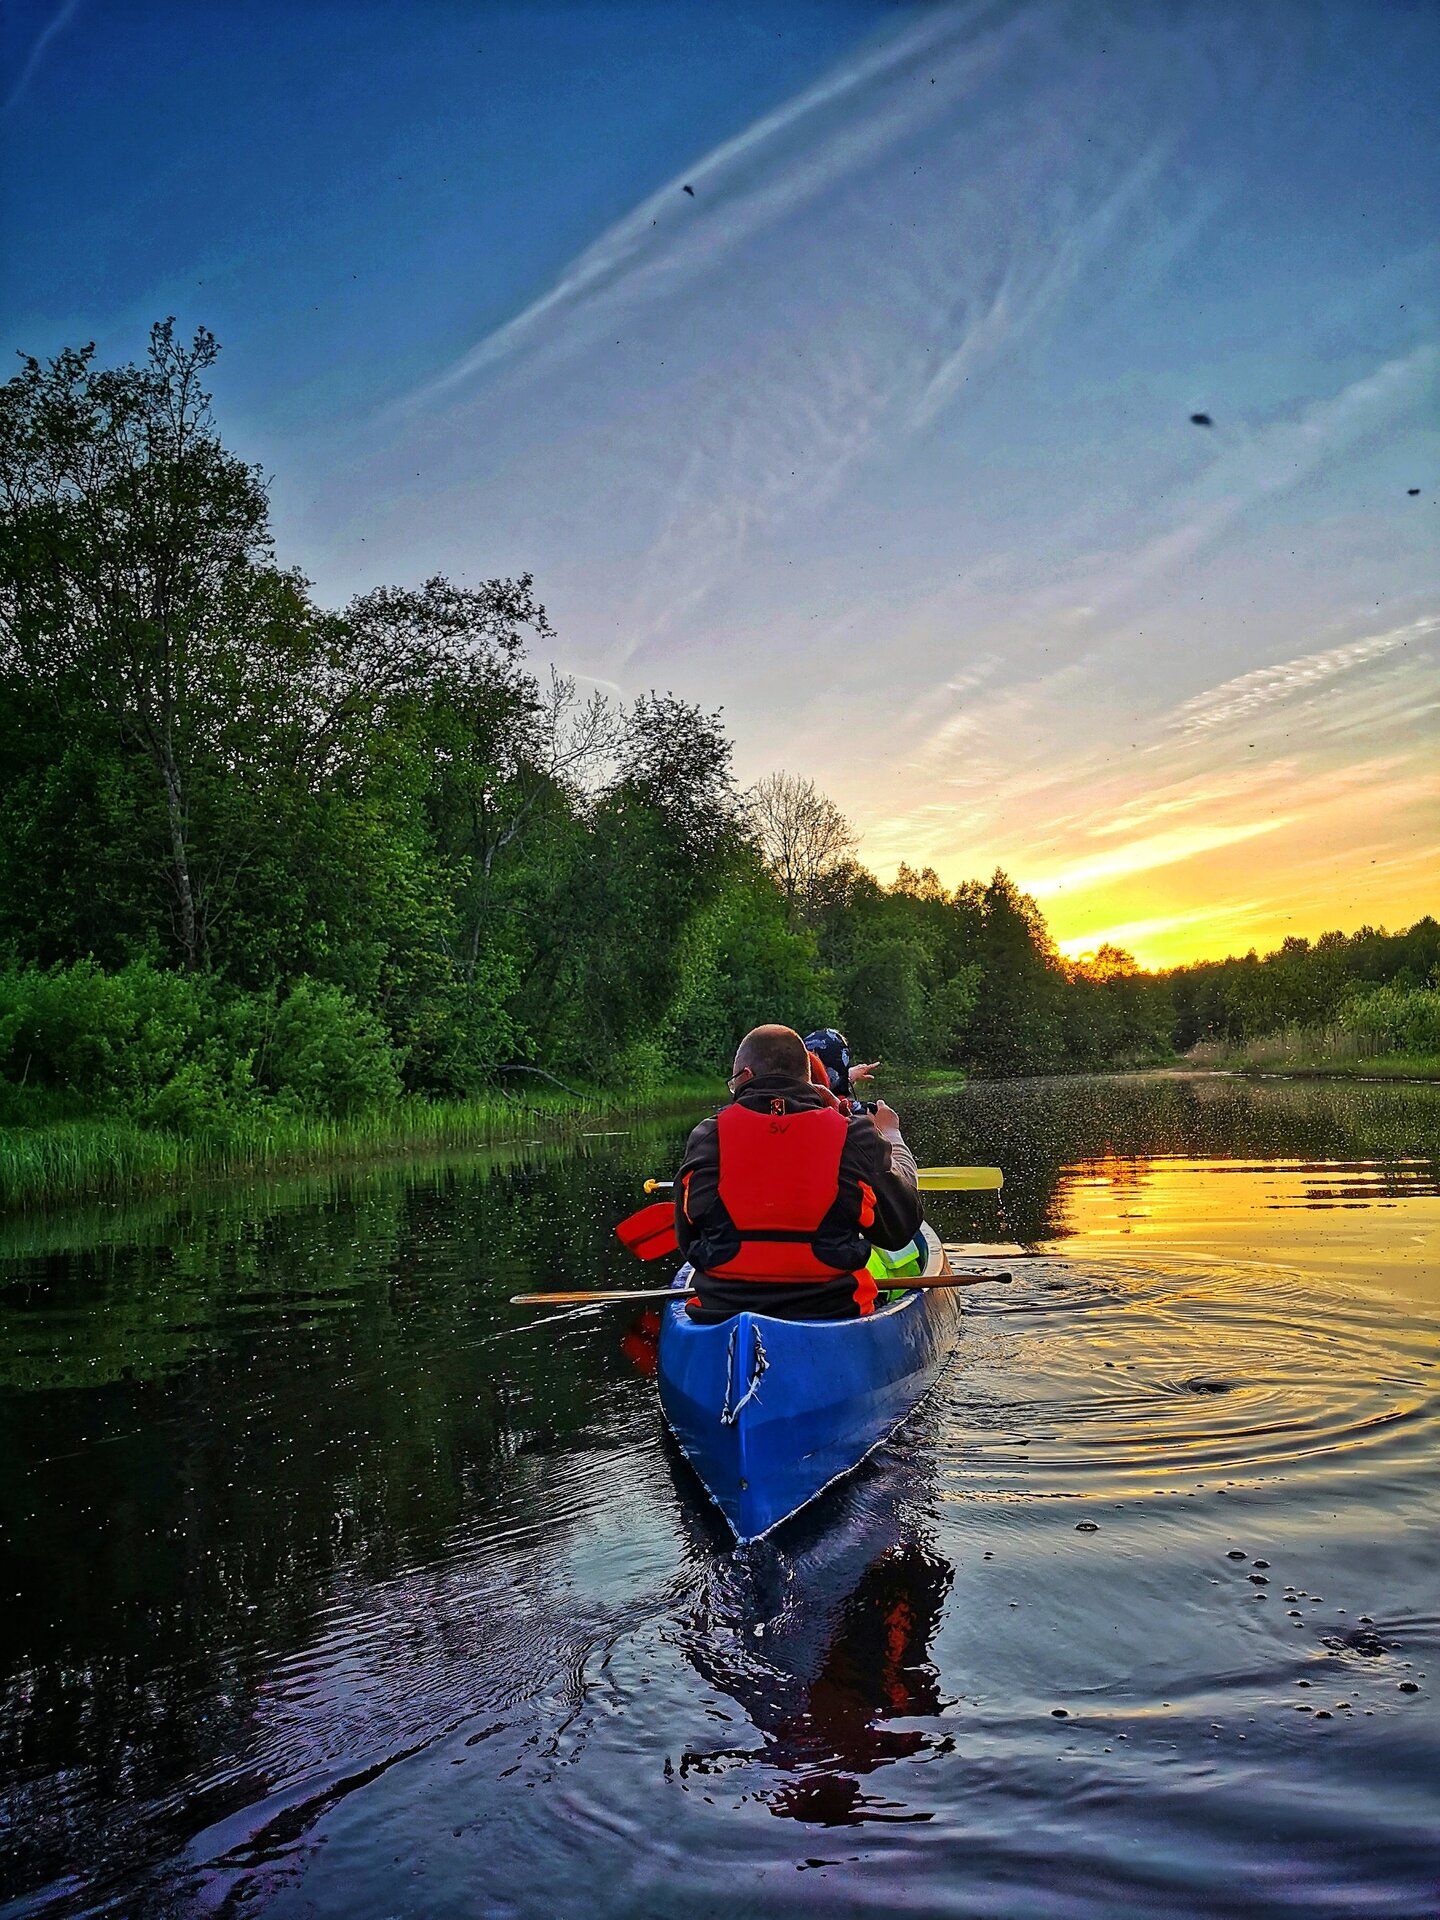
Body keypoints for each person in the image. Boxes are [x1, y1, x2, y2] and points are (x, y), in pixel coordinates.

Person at [673, 1024, 924, 1322]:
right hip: (833, 1313)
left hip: (721, 1312)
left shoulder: (706, 1136)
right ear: (809, 1079)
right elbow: (899, 1230)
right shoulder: (854, 1136)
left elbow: (689, 1242)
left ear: (745, 1077)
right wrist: (891, 1135)